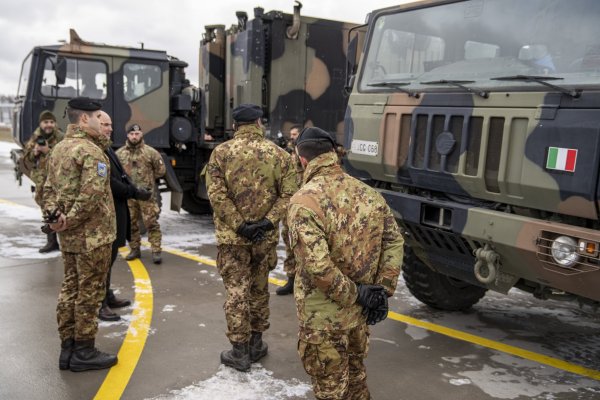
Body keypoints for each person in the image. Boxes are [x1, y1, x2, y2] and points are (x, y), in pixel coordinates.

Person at [287, 126, 405, 399]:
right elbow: (394, 241)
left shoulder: (304, 201)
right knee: (356, 378)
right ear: (333, 155)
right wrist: (380, 292)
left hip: (324, 319)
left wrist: (357, 295)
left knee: (331, 390)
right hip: (359, 315)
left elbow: (318, 267)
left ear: (303, 160)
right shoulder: (370, 194)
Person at [205, 103, 298, 372]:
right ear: (259, 123)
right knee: (259, 290)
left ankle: (239, 351)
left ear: (235, 126)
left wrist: (240, 225)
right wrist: (268, 222)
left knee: (236, 293)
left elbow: (217, 196)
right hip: (264, 239)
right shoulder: (280, 155)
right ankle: (256, 343)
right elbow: (289, 195)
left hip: (232, 239)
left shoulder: (220, 153)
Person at [43, 97, 118, 372]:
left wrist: (56, 219)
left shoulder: (60, 148)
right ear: (84, 119)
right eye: (99, 117)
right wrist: (69, 220)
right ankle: (84, 351)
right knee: (89, 293)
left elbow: (47, 189)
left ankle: (68, 349)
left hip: (70, 237)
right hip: (93, 236)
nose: (103, 123)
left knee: (70, 289)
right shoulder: (91, 151)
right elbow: (92, 195)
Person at [97, 111, 152, 321]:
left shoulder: (106, 147)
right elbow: (109, 183)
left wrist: (134, 187)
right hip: (105, 214)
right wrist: (134, 192)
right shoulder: (96, 150)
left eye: (110, 124)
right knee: (102, 262)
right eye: (105, 124)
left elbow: (120, 175)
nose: (110, 128)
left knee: (109, 259)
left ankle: (107, 295)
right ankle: (100, 304)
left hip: (116, 211)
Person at [117, 124, 166, 264]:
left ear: (141, 134)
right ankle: (135, 249)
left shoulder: (150, 152)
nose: (134, 136)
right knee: (131, 224)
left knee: (151, 223)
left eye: (137, 134)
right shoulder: (120, 154)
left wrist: (148, 182)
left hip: (146, 195)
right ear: (127, 135)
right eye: (132, 134)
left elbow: (160, 170)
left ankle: (156, 251)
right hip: (130, 195)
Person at [22, 110, 64, 253]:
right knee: (47, 210)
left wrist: (48, 151)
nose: (49, 125)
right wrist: (34, 153)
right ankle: (52, 242)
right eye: (46, 122)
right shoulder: (35, 137)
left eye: (51, 122)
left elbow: (66, 159)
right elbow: (25, 160)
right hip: (42, 182)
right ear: (41, 123)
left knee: (62, 209)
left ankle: (65, 241)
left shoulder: (60, 137)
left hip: (59, 181)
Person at [277, 125, 304, 296]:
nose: (292, 137)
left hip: (304, 208)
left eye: (296, 135)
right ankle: (292, 279)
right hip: (289, 207)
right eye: (291, 135)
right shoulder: (288, 154)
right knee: (289, 244)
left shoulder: (306, 155)